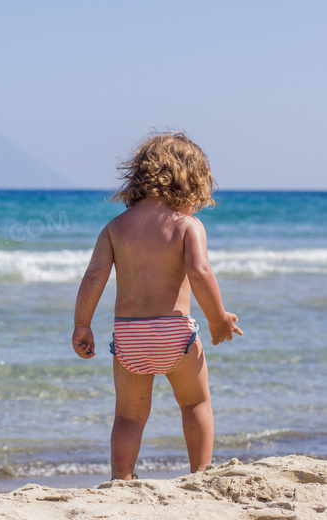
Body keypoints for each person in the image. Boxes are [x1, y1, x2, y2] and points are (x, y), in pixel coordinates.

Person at [72, 132, 243, 480]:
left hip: (130, 337)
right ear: (190, 182)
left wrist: (82, 324)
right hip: (175, 334)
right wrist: (218, 319)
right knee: (195, 404)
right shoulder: (188, 226)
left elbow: (93, 277)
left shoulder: (115, 227)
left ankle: (121, 479)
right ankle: (200, 473)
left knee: (129, 416)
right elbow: (200, 272)